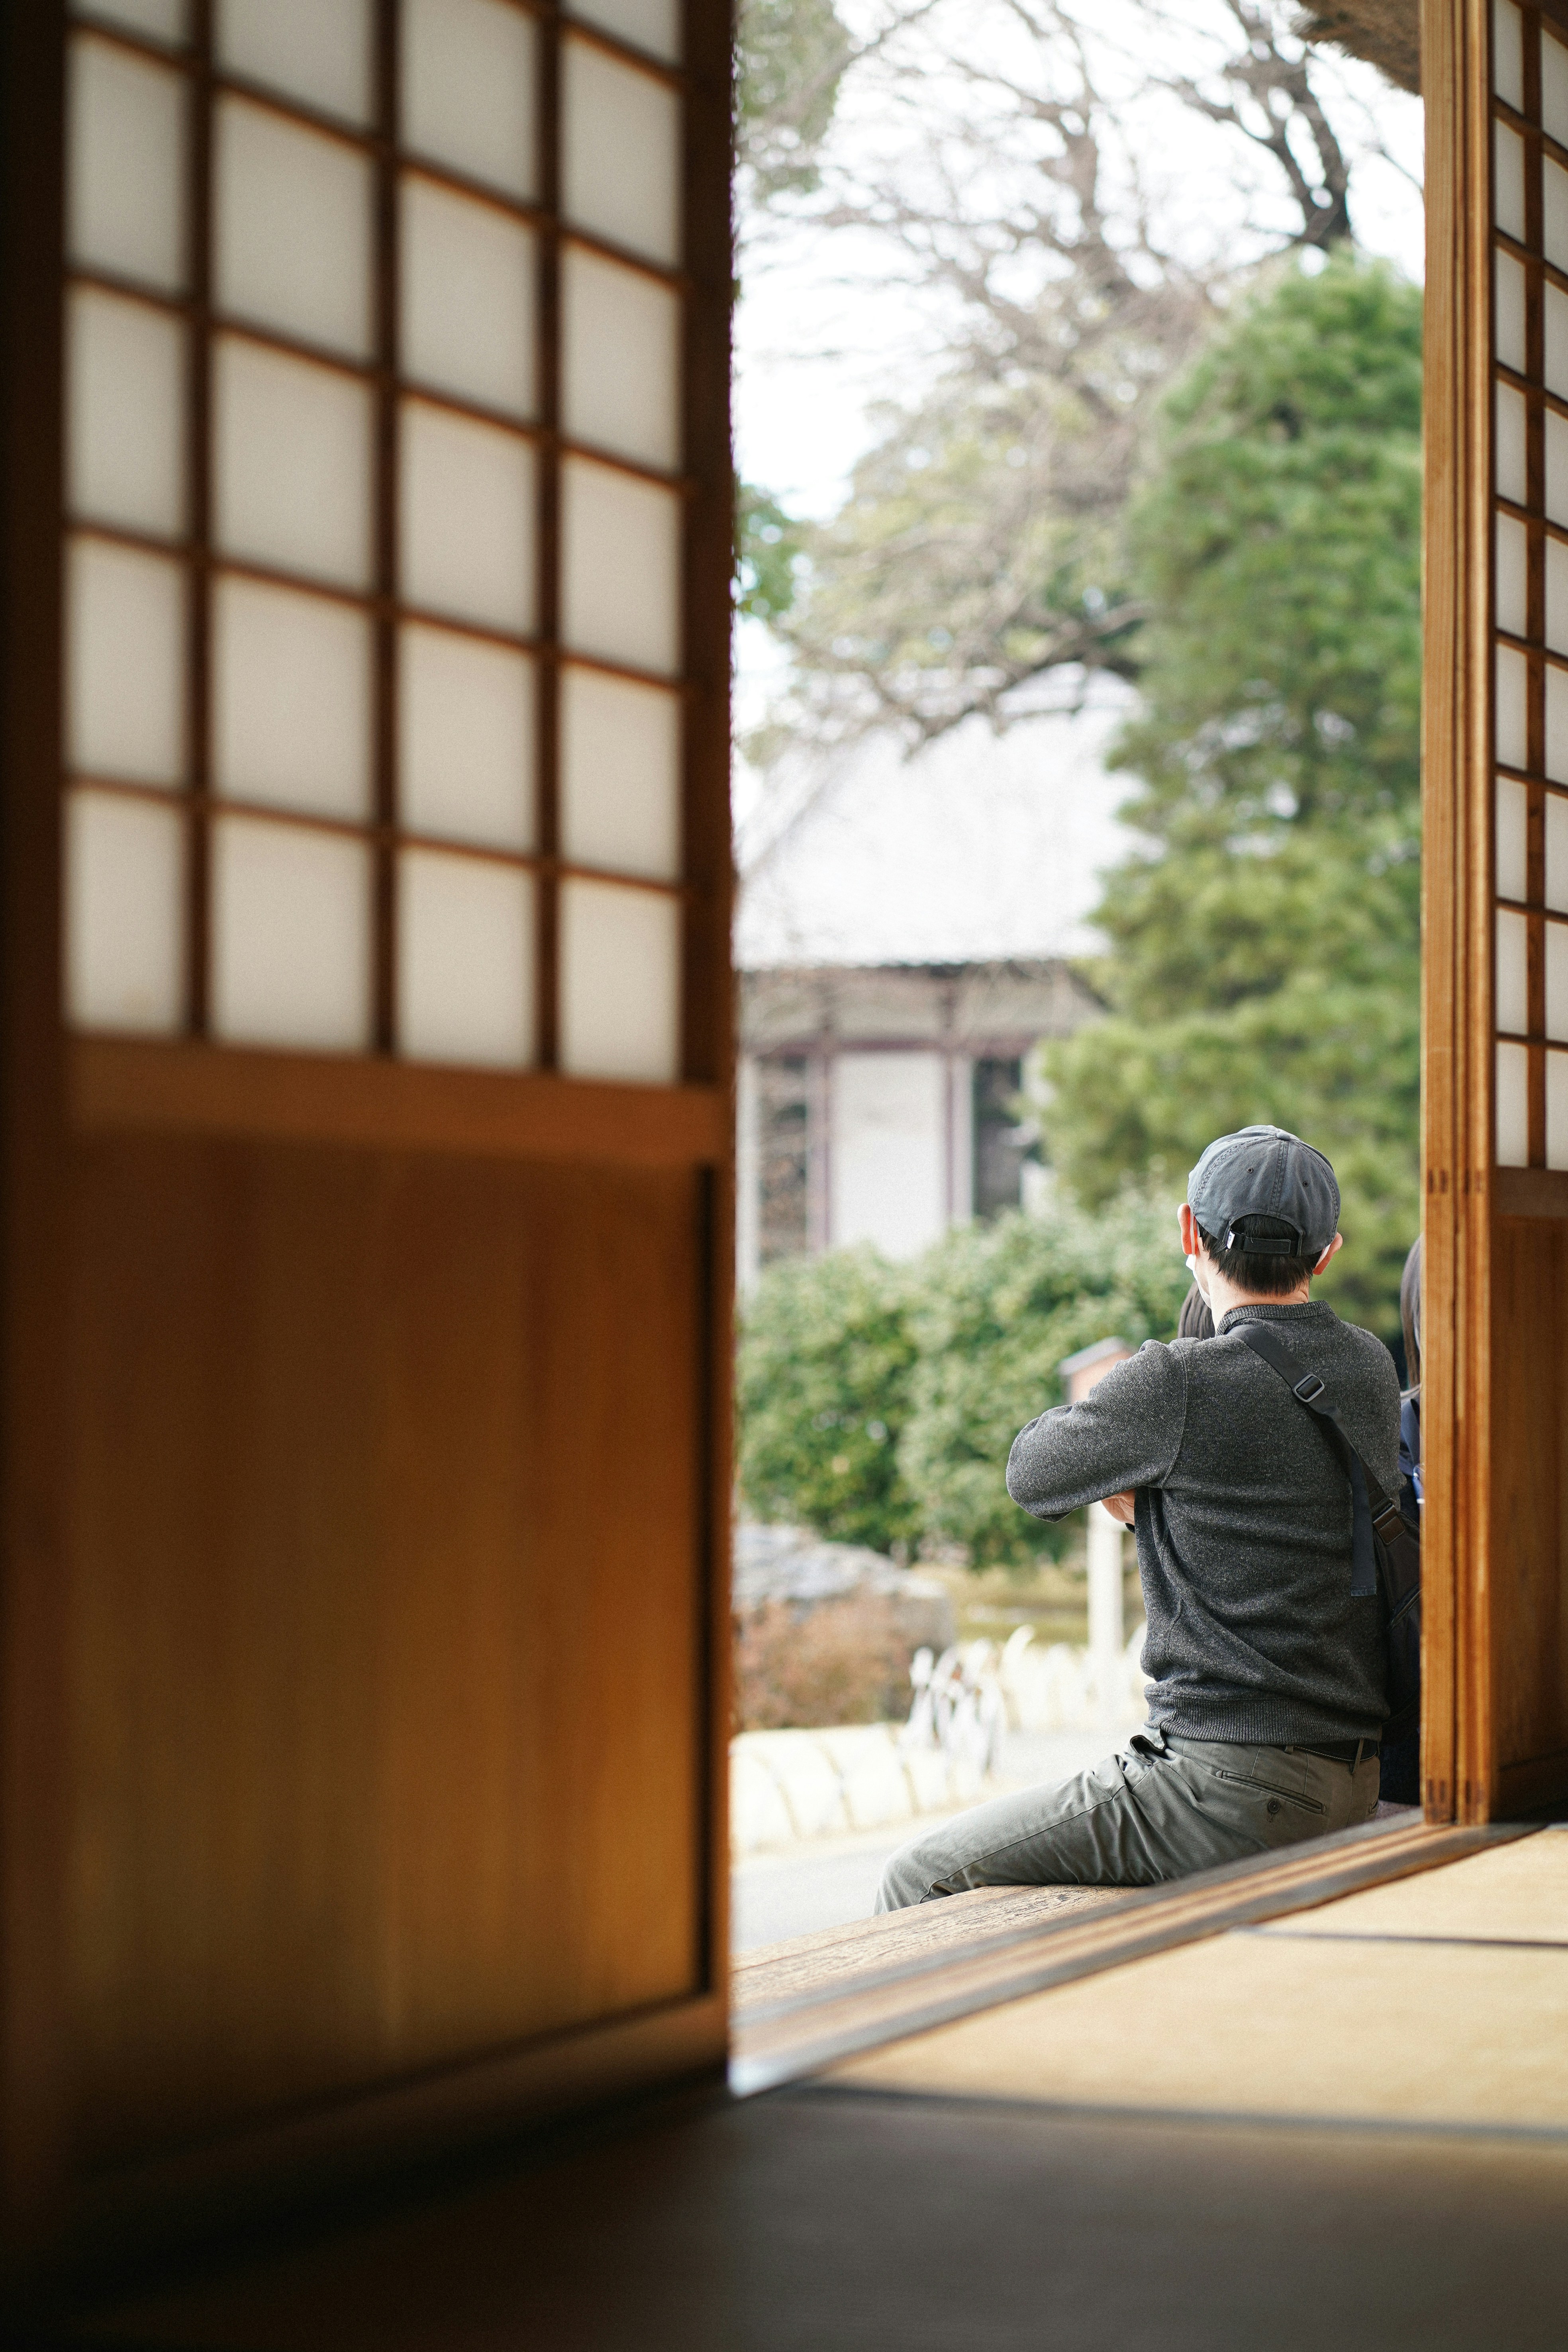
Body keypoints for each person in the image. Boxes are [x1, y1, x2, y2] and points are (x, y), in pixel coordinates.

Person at [876, 1124, 1400, 1909]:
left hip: (1221, 1786)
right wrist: (1158, 1506)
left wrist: (1135, 1458)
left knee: (919, 1876)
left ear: (1189, 1231)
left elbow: (1034, 1472)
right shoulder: (1368, 1362)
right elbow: (1279, 1517)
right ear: (1327, 1253)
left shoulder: (1176, 1380)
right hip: (1349, 1777)